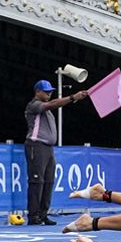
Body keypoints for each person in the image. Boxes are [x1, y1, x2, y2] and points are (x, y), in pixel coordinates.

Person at [24, 79, 90, 226]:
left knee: (48, 181)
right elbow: (52, 104)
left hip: (47, 148)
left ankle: (42, 214)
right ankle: (33, 216)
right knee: (36, 181)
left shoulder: (46, 111)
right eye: (46, 91)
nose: (49, 93)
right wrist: (72, 97)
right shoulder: (34, 105)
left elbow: (51, 105)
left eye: (51, 91)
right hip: (36, 146)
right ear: (38, 92)